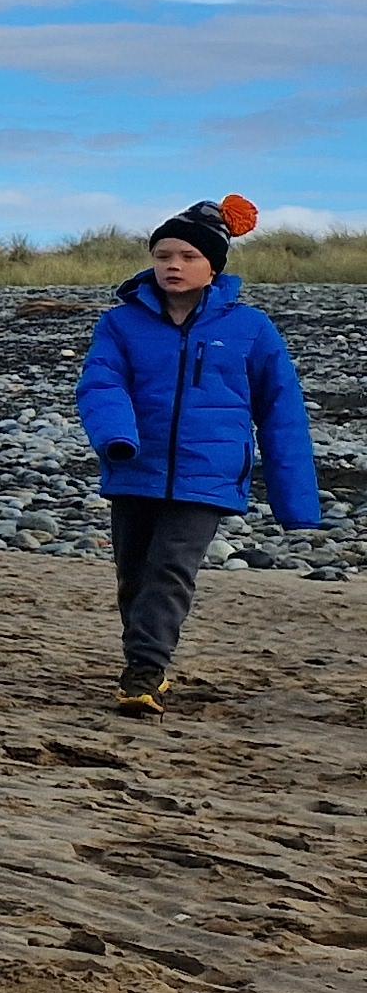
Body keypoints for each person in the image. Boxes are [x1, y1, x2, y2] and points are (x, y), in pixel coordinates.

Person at [74, 195, 322, 713]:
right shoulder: (121, 324)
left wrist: (297, 503)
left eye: (188, 256)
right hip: (134, 467)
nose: (173, 265)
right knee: (134, 575)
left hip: (208, 476)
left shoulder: (251, 328)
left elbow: (282, 412)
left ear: (214, 266)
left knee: (170, 569)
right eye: (163, 255)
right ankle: (144, 660)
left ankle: (144, 672)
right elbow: (101, 384)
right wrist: (117, 436)